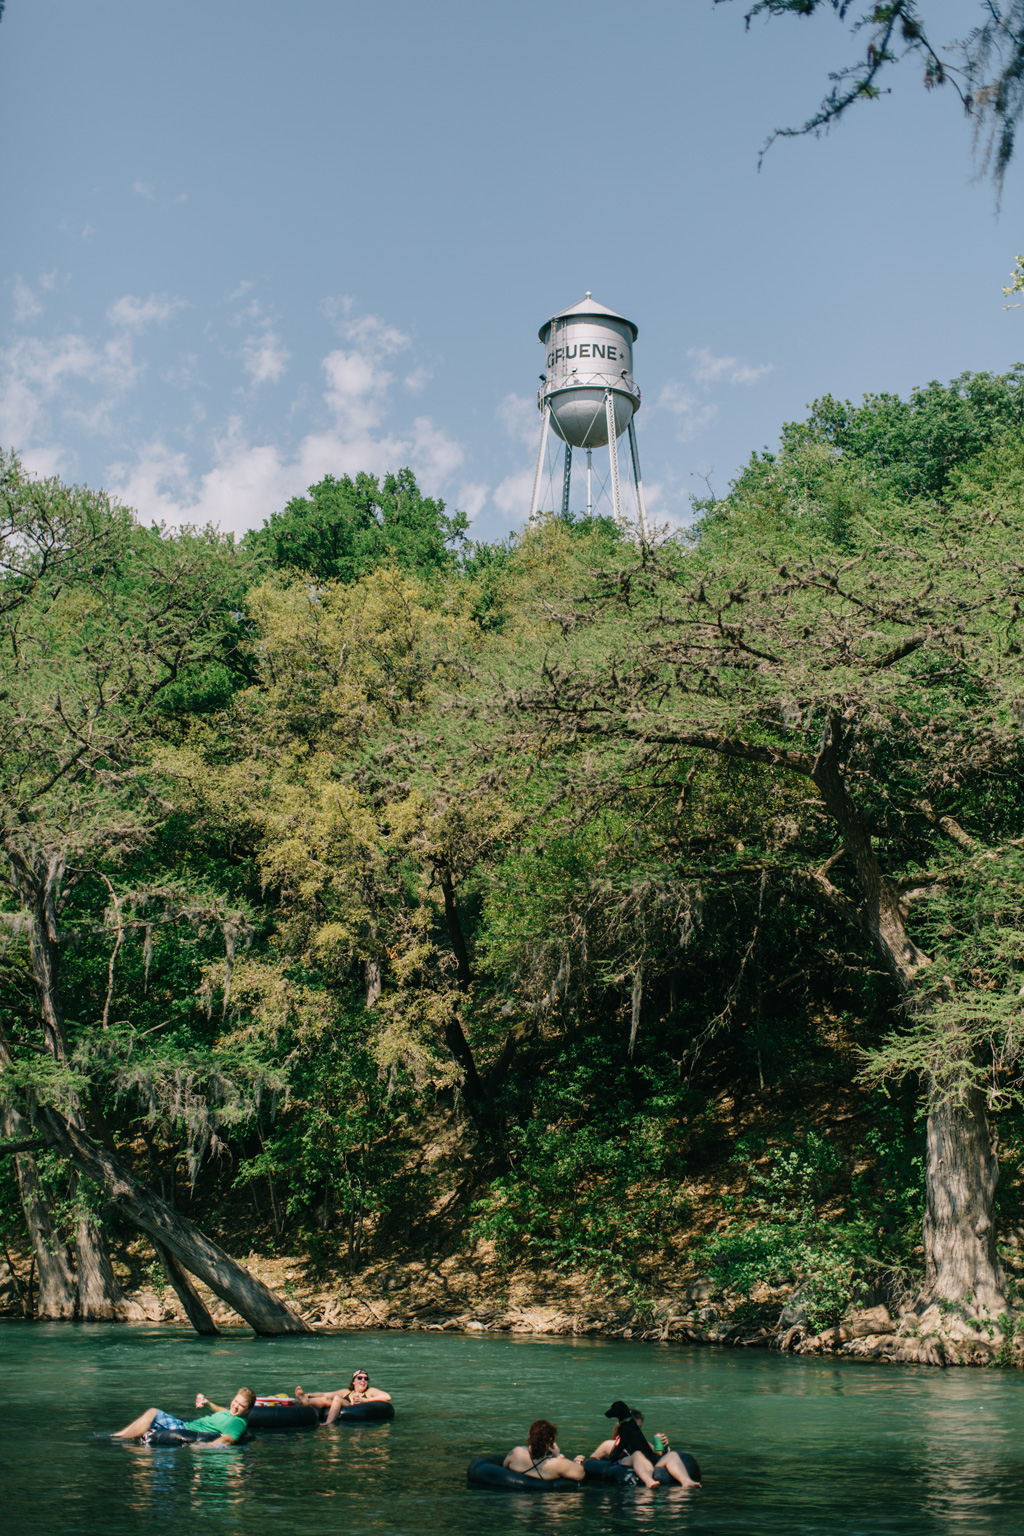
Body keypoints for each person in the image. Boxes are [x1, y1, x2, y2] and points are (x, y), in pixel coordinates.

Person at [587, 1400, 700, 1489]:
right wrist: (580, 1459)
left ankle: (686, 1481)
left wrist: (664, 1446)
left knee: (672, 1455)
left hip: (648, 1465)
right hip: (627, 1462)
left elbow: (659, 1454)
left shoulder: (643, 1442)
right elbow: (593, 1459)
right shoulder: (609, 1444)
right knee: (637, 1454)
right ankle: (648, 1481)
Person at [110, 1388, 255, 1445]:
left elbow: (228, 1438)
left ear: (247, 1411)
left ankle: (120, 1440)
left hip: (183, 1429)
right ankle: (116, 1436)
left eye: (241, 1405)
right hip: (185, 1425)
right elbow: (221, 1410)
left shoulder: (237, 1422)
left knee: (152, 1413)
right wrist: (208, 1403)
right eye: (235, 1401)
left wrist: (206, 1447)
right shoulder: (230, 1412)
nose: (235, 1406)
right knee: (152, 1414)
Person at [295, 1370, 392, 1424]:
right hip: (341, 1405)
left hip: (352, 1407)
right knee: (327, 1399)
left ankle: (328, 1423)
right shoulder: (346, 1392)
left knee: (337, 1399)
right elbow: (325, 1394)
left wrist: (365, 1400)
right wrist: (310, 1395)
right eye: (359, 1378)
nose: (363, 1380)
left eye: (366, 1379)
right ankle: (306, 1401)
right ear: (353, 1382)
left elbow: (387, 1397)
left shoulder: (370, 1391)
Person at [503, 1418, 585, 1482]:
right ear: (550, 1440)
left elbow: (504, 1466)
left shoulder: (516, 1452)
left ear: (529, 1436)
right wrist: (558, 1456)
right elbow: (580, 1474)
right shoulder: (557, 1464)